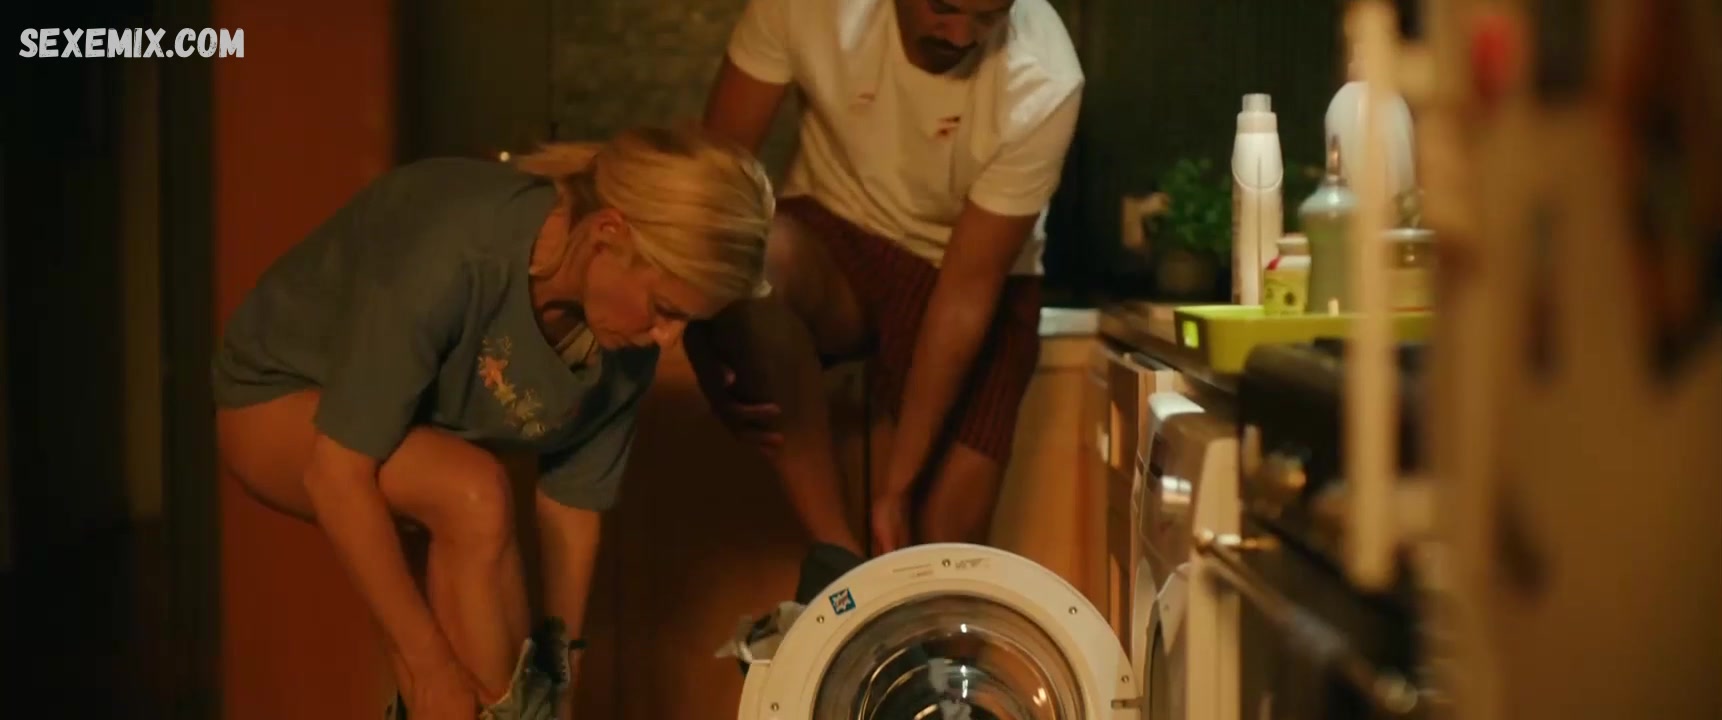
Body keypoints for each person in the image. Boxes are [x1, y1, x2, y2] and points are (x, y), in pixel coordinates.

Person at [213, 125, 774, 720]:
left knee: (503, 668)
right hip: (279, 403)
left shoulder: (624, 340)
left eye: (688, 320)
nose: (667, 339)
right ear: (607, 235)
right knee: (471, 496)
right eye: (665, 310)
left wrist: (562, 678)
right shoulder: (456, 251)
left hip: (416, 440)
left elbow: (571, 507)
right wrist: (430, 669)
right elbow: (336, 477)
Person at [688, 0, 1084, 560]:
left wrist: (897, 490)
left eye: (988, 16)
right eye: (943, 6)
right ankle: (835, 554)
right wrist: (707, 332)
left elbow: (967, 291)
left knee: (945, 546)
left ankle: (909, 582)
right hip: (834, 231)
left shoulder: (1044, 78)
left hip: (966, 268)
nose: (961, 36)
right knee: (759, 256)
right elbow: (714, 178)